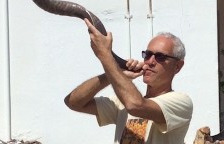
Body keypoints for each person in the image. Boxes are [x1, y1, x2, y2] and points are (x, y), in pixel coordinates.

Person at [64, 18, 193, 144]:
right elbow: (73, 102)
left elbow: (135, 105)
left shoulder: (182, 102)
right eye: (147, 55)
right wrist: (113, 73)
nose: (150, 61)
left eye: (160, 57)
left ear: (177, 66)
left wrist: (105, 55)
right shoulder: (121, 103)